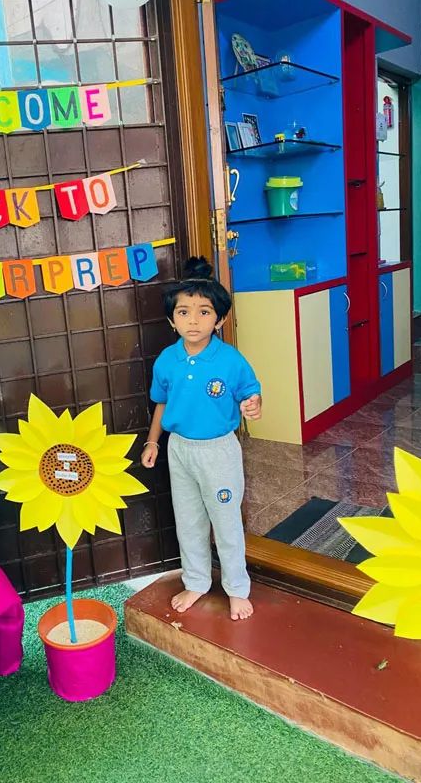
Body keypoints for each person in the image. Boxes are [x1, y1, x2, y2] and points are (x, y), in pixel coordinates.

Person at [141, 256, 262, 620]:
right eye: (184, 312)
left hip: (218, 452)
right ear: (171, 319)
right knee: (189, 520)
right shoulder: (167, 360)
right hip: (179, 449)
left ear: (219, 319)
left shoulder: (230, 360)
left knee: (226, 523)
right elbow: (161, 403)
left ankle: (236, 588)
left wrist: (253, 405)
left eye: (204, 312)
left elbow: (250, 393)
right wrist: (153, 442)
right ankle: (196, 581)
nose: (193, 321)